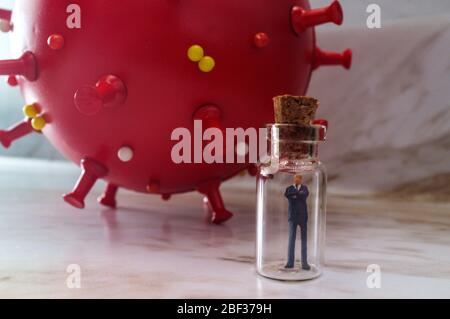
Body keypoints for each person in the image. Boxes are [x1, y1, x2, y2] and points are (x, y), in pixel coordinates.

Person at [284, 175, 310, 270]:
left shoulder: (305, 188)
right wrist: (298, 194)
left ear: (301, 179)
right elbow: (288, 195)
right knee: (291, 240)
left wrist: (295, 195)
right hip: (293, 217)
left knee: (304, 240)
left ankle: (304, 263)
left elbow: (304, 195)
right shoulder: (289, 188)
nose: (297, 180)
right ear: (293, 179)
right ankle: (290, 262)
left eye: (298, 178)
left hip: (303, 216)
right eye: (295, 178)